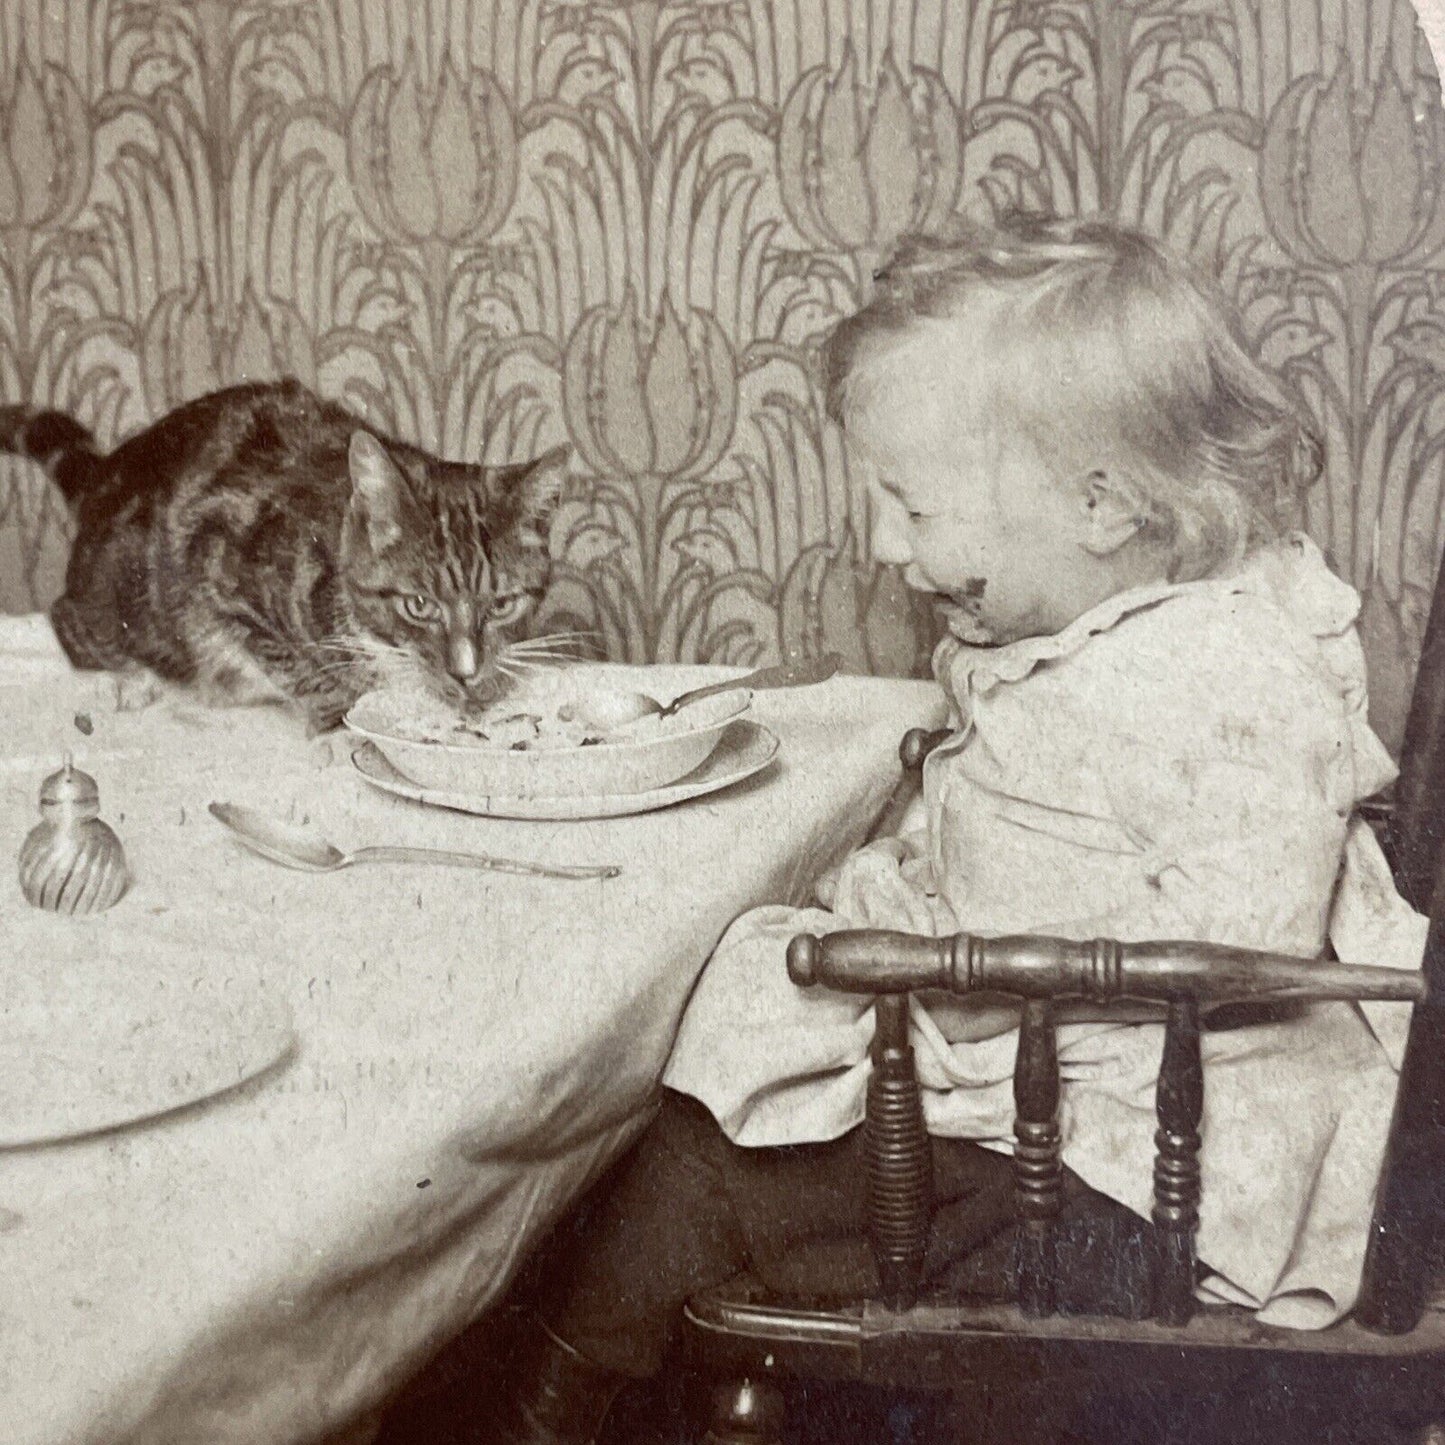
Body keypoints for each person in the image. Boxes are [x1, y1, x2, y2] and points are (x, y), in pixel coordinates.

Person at [478, 216, 1429, 1444]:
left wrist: (971, 963)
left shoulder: (1223, 668)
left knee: (699, 1160)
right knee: (728, 1078)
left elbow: (1244, 923)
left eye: (907, 504)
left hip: (1135, 1181)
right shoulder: (1102, 627)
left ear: (1098, 502)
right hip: (1069, 1098)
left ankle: (545, 1401)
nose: (883, 546)